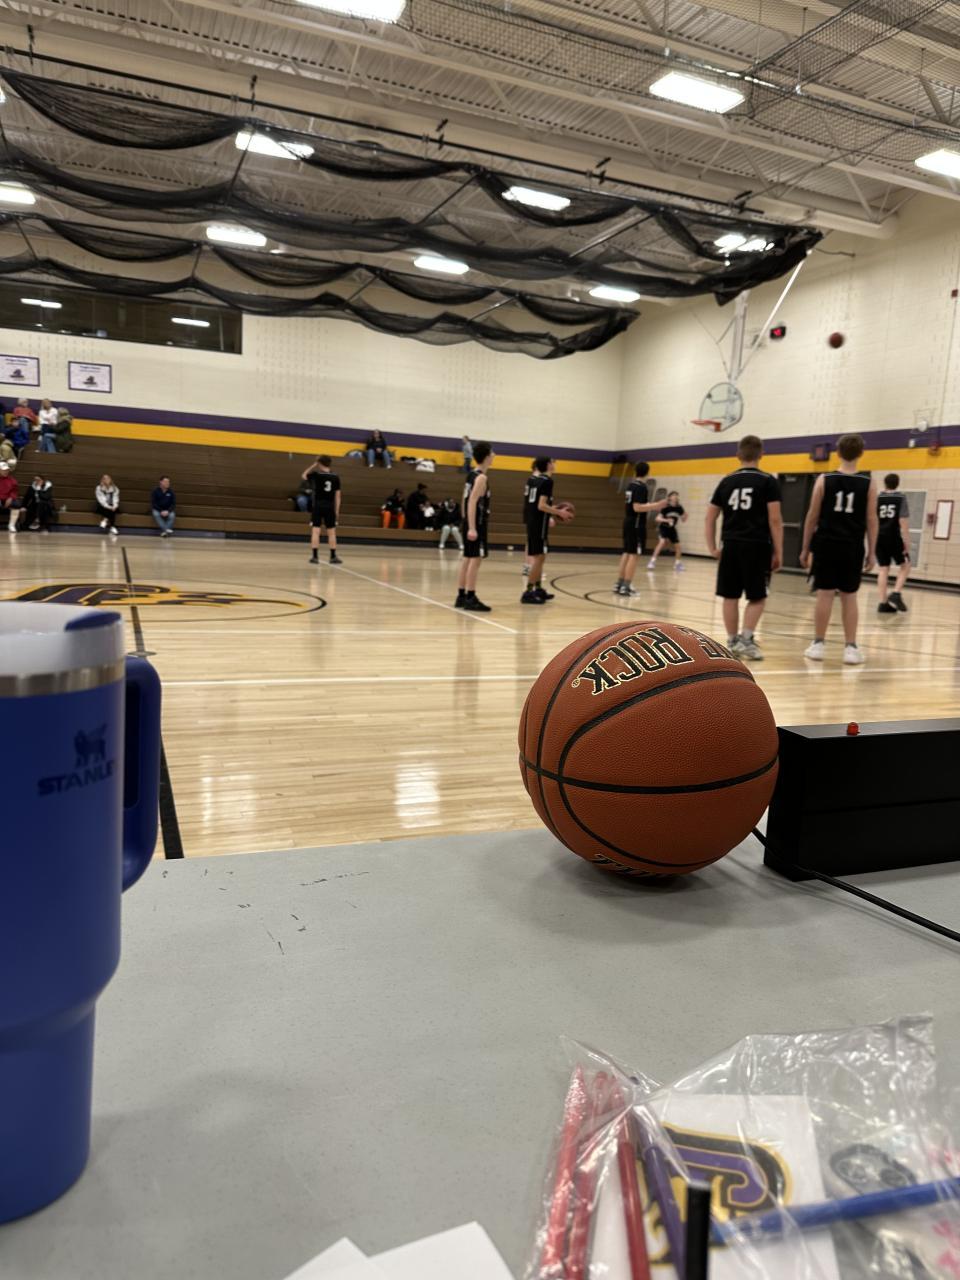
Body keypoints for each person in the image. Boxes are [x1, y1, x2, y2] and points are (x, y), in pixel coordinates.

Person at [704, 435, 783, 661]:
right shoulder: (768, 481)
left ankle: (732, 641)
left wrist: (712, 548)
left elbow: (710, 517)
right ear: (761, 454)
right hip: (757, 545)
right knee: (757, 596)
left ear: (738, 455)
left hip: (730, 544)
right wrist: (779, 551)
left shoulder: (726, 481)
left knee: (730, 596)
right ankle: (746, 640)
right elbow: (775, 519)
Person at [800, 434, 877, 665]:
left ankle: (818, 644)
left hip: (826, 545)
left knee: (824, 594)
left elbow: (812, 516)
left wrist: (805, 548)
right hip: (852, 546)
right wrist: (872, 551)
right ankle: (850, 648)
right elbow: (871, 520)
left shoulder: (824, 480)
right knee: (849, 596)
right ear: (861, 453)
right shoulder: (868, 483)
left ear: (838, 452)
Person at [521, 456, 570, 605]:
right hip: (539, 524)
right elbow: (541, 505)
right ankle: (528, 591)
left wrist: (553, 509)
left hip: (533, 521)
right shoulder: (547, 481)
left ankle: (537, 588)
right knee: (539, 557)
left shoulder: (534, 480)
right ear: (548, 465)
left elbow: (535, 504)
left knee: (540, 557)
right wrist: (559, 512)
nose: (554, 464)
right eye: (552, 462)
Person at [614, 462, 667, 597]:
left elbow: (637, 505)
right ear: (647, 472)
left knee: (627, 552)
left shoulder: (631, 485)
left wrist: (650, 505)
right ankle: (626, 587)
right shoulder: (641, 487)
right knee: (634, 555)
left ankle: (619, 584)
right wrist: (657, 505)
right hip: (637, 524)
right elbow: (637, 507)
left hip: (628, 521)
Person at [455, 440, 494, 611]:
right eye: (492, 453)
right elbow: (471, 502)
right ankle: (471, 597)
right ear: (486, 457)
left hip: (469, 522)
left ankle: (461, 596)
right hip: (476, 524)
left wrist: (465, 520)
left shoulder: (471, 474)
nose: (494, 455)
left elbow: (463, 500)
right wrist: (471, 527)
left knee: (467, 558)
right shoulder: (481, 477)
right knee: (475, 560)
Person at [876, 473, 910, 614]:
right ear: (897, 483)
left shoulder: (878, 498)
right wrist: (906, 541)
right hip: (893, 537)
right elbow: (903, 521)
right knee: (906, 565)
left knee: (883, 569)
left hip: (879, 537)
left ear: (885, 483)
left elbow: (872, 518)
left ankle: (883, 603)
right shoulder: (901, 498)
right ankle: (896, 593)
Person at [303, 454, 343, 565]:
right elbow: (338, 496)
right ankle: (333, 556)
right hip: (330, 507)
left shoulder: (316, 475)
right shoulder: (335, 477)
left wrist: (313, 465)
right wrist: (337, 511)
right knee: (332, 532)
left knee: (316, 531)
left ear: (319, 463)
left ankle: (315, 557)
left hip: (318, 506)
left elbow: (304, 475)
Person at [647, 491, 688, 572]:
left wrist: (685, 516)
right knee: (662, 542)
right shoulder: (666, 507)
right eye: (674, 495)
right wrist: (666, 520)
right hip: (663, 528)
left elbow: (683, 520)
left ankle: (677, 564)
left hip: (672, 529)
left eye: (677, 495)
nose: (676, 497)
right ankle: (652, 561)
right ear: (669, 497)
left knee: (678, 547)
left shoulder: (679, 507)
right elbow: (657, 519)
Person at [0, 461, 21, 532]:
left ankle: (11, 525)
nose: (6, 472)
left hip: (7, 499)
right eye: (3, 470)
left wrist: (11, 497)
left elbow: (14, 491)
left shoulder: (12, 480)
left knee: (16, 504)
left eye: (7, 470)